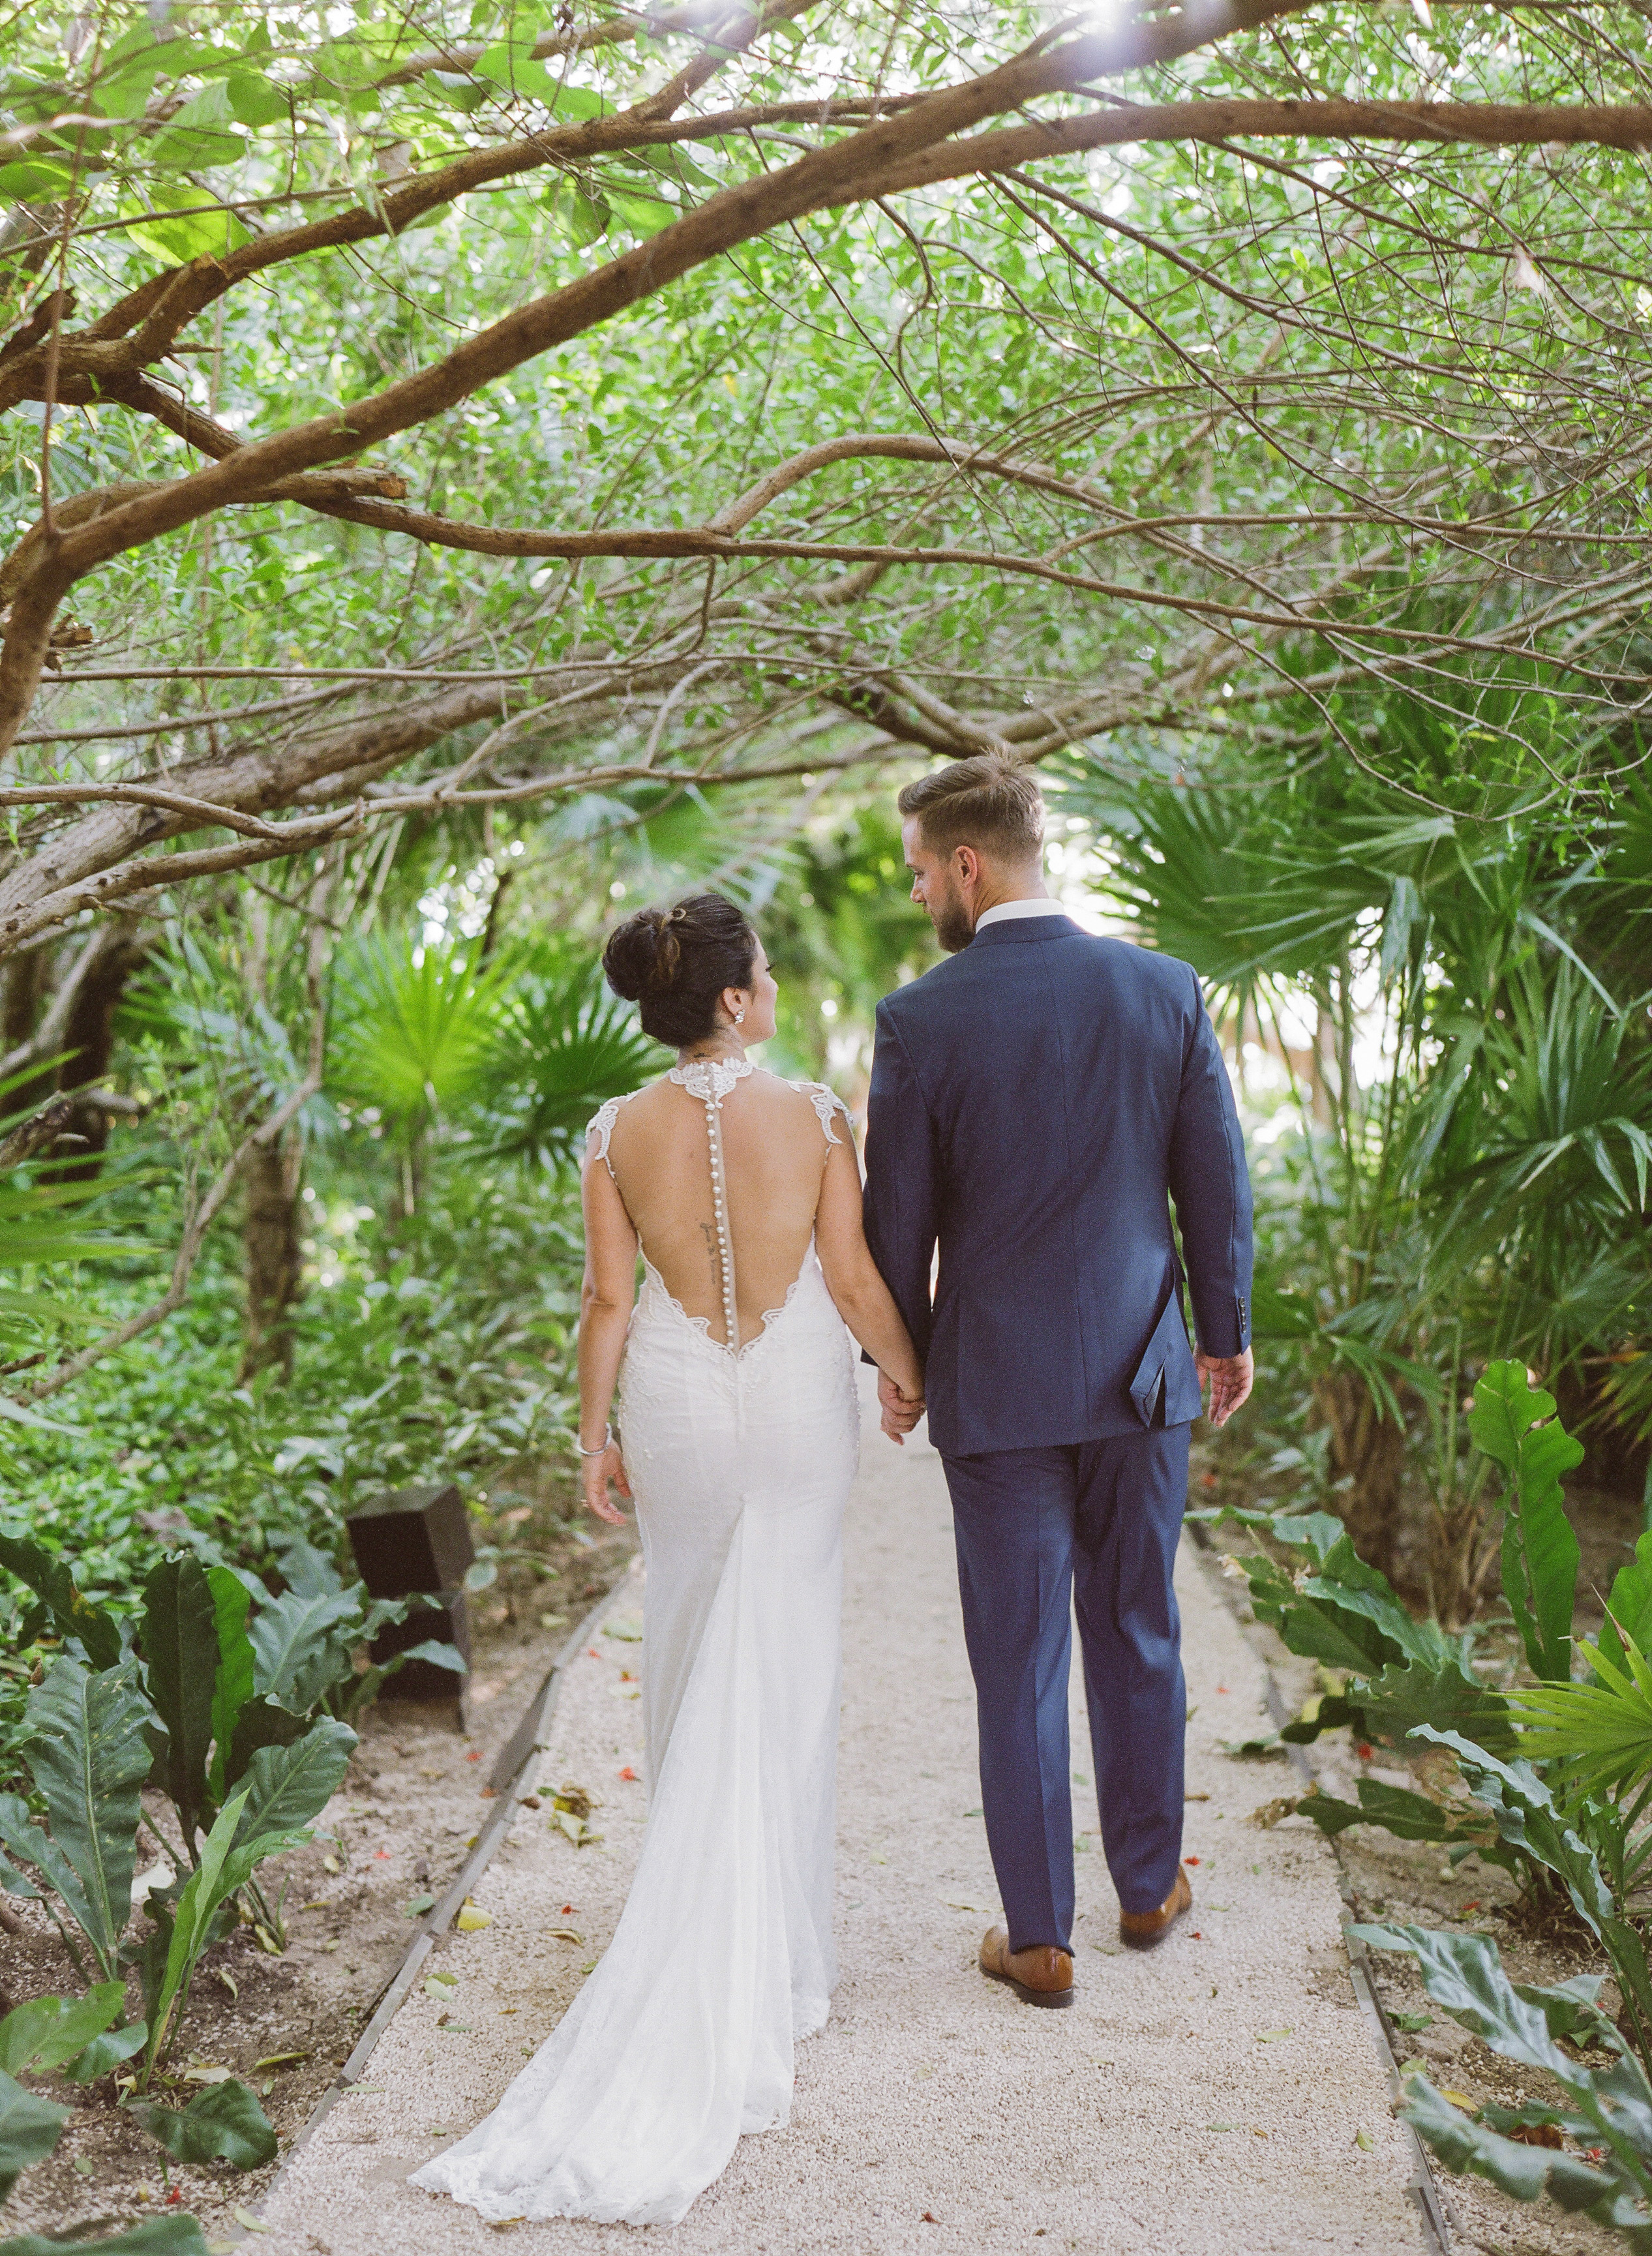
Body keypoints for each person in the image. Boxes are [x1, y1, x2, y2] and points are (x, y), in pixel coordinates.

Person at [412, 892, 924, 2227]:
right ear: (739, 997)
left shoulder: (613, 1129)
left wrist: (590, 1436)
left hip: (678, 1399)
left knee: (694, 1646)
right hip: (796, 1392)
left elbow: (606, 1300)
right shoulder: (812, 1113)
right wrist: (909, 1375)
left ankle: (719, 1929)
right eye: (761, 967)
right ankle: (784, 1967)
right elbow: (855, 1276)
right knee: (791, 1659)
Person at [862, 755, 1254, 2009]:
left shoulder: (921, 1020)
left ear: (967, 866)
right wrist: (1224, 1333)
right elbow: (1215, 1188)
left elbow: (896, 1230)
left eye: (924, 868)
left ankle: (1038, 1937)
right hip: (1144, 1374)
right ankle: (1147, 1890)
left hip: (996, 1390)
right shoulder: (1162, 990)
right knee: (1138, 1625)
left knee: (1018, 1655)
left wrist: (902, 1366)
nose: (923, 889)